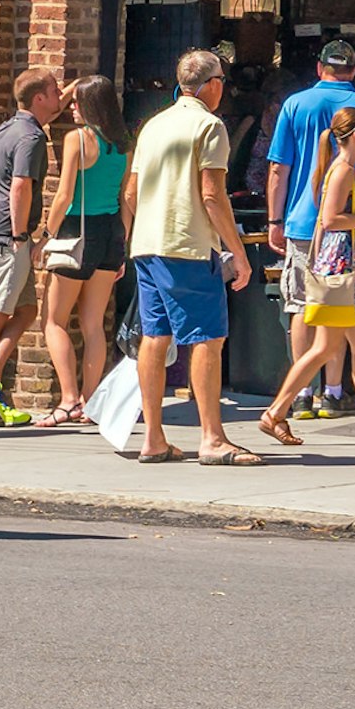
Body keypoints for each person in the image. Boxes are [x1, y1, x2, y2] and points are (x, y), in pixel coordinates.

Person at [124, 47, 262, 466]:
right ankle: (213, 439)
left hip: (147, 244)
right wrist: (238, 253)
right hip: (188, 245)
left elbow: (130, 193)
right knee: (207, 339)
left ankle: (153, 438)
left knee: (154, 337)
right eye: (223, 80)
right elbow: (211, 195)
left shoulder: (153, 126)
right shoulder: (209, 126)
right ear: (213, 84)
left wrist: (135, 236)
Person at [260, 104, 355, 447]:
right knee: (325, 347)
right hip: (341, 271)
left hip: (348, 272)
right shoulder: (343, 170)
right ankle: (275, 413)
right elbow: (330, 220)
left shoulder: (343, 167)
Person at [263, 37, 355, 423]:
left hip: (304, 224)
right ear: (353, 72)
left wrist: (274, 221)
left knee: (305, 308)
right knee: (341, 309)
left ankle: (302, 394)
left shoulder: (295, 104)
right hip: (348, 229)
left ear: (320, 68)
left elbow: (278, 169)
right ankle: (333, 392)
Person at [0, 67, 63, 426]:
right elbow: (21, 186)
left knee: (25, 311)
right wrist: (21, 233)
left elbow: (49, 105)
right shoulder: (32, 138)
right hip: (9, 238)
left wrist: (69, 90)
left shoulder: (10, 127)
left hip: (2, 236)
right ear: (39, 98)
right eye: (54, 92)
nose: (60, 99)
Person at [38, 75, 128, 425]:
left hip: (77, 230)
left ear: (91, 106)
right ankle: (90, 404)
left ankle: (68, 399)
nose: (70, 107)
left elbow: (63, 195)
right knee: (93, 325)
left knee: (55, 321)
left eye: (76, 102)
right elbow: (126, 199)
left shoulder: (77, 139)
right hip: (109, 234)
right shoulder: (122, 144)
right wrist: (123, 244)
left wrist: (46, 234)